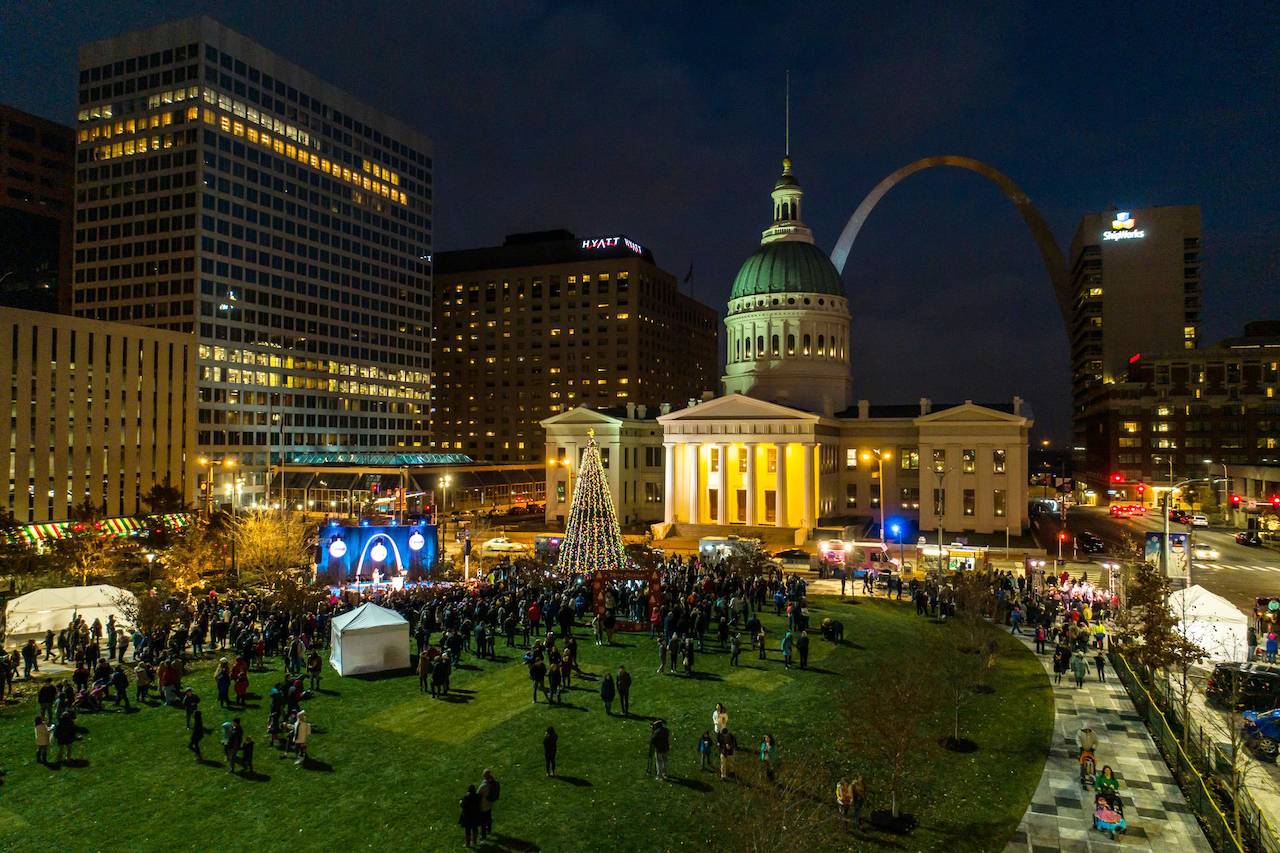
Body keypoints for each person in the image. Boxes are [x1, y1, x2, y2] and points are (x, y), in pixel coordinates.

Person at [477, 769, 499, 841]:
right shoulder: (494, 783)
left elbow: (478, 794)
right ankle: (489, 830)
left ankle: (483, 835)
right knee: (488, 817)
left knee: (483, 821)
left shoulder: (484, 786)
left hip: (483, 806)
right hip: (490, 804)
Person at [459, 784, 482, 848]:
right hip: (475, 815)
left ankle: (468, 844)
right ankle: (475, 841)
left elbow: (462, 805)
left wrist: (461, 802)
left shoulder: (466, 798)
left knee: (468, 831)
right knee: (475, 828)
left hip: (467, 816)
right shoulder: (478, 796)